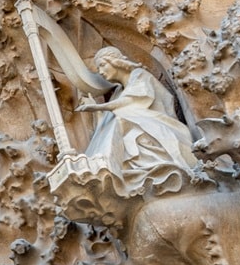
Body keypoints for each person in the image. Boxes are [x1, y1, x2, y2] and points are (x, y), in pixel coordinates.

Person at [75, 49, 197, 197]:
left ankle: (110, 170)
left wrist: (99, 106)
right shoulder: (118, 92)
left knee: (123, 119)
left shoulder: (139, 74)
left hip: (157, 124)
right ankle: (101, 171)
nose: (100, 72)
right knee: (119, 121)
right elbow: (110, 118)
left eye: (102, 65)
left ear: (116, 62)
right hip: (139, 123)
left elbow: (134, 101)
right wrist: (97, 112)